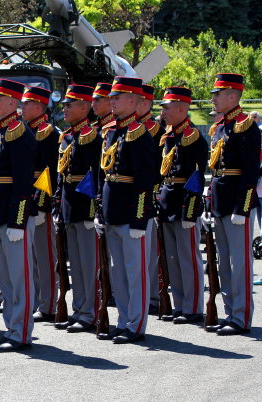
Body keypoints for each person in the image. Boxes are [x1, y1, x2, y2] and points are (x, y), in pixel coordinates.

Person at [95, 76, 155, 344]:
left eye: (117, 98)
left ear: (133, 101)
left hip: (132, 216)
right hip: (113, 213)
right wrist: (100, 211)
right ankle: (122, 320)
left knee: (135, 272)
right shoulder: (112, 131)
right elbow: (103, 175)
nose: (111, 101)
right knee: (117, 273)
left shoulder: (139, 133)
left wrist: (139, 219)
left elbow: (144, 181)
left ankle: (136, 324)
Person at [0, 79, 36, 352]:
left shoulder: (19, 133)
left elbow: (24, 182)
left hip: (13, 218)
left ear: (13, 104)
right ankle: (11, 327)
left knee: (19, 277)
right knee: (5, 279)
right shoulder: (0, 133)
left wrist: (18, 220)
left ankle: (21, 333)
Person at [205, 73, 260, 335]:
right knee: (224, 262)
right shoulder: (220, 127)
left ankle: (241, 317)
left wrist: (243, 206)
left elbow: (250, 171)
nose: (213, 98)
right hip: (220, 203)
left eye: (218, 94)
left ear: (232, 96)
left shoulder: (245, 125)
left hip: (237, 204)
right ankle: (229, 313)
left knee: (240, 264)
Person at [53, 85, 102, 332]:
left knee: (88, 263)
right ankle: (79, 309)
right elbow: (63, 176)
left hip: (84, 206)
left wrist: (92, 210)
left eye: (69, 104)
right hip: (69, 205)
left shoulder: (92, 136)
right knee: (76, 264)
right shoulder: (68, 136)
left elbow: (95, 177)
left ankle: (90, 312)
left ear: (84, 108)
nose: (64, 108)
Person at [157, 86, 208, 324]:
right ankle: (179, 305)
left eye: (166, 108)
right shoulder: (170, 135)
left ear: (180, 109)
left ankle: (193, 307)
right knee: (174, 258)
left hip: (184, 203)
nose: (163, 111)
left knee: (188, 257)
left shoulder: (191, 137)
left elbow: (195, 178)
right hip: (168, 202)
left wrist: (191, 211)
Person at [19, 83, 60, 324]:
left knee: (44, 256)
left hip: (39, 201)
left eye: (25, 104)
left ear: (38, 106)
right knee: (31, 256)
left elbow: (48, 174)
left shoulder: (48, 133)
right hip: (27, 201)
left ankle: (49, 303)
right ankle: (36, 300)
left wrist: (43, 205)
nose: (21, 108)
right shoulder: (26, 130)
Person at [138, 84, 163, 315]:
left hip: (150, 196)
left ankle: (153, 296)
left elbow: (156, 168)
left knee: (150, 253)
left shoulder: (155, 129)